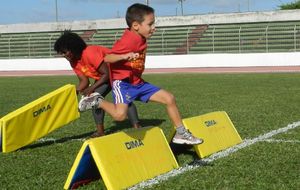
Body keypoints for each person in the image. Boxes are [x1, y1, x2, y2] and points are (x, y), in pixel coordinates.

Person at [78, 3, 203, 145]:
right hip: (123, 83)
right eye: (150, 24)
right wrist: (124, 56)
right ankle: (97, 101)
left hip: (137, 82)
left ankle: (181, 134)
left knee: (169, 98)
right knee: (119, 116)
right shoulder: (128, 40)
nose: (154, 27)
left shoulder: (140, 37)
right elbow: (107, 58)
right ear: (136, 25)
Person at [54, 31, 140, 138]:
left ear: (73, 47)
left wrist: (92, 88)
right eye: (61, 53)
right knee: (94, 98)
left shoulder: (89, 52)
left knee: (123, 98)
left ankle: (137, 128)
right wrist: (74, 92)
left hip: (120, 71)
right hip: (105, 77)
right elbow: (84, 81)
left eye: (64, 52)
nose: (63, 55)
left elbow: (106, 73)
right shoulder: (74, 61)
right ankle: (100, 131)